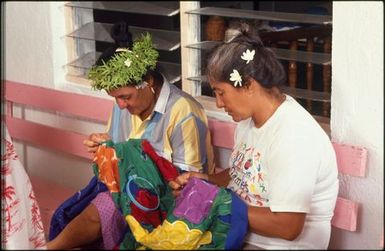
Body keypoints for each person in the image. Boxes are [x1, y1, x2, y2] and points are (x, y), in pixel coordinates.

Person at [169, 21, 339, 249]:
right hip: (239, 233)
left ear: (249, 85)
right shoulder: (250, 121)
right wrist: (206, 182)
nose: (219, 103)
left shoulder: (294, 136)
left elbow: (287, 227)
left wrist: (214, 203)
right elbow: (245, 173)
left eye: (221, 93)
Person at [46, 22, 214, 250]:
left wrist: (137, 172)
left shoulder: (182, 110)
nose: (120, 105)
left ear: (149, 83)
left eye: (126, 97)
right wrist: (105, 148)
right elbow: (121, 149)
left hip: (170, 200)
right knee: (84, 208)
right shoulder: (124, 107)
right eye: (115, 98)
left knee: (106, 206)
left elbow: (188, 181)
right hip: (130, 192)